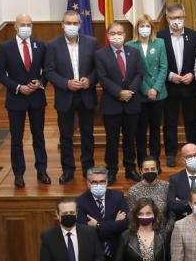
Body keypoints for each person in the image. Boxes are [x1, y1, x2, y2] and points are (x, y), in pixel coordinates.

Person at [0, 13, 50, 188]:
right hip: (16, 99)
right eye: (23, 24)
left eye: (29, 24)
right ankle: (18, 173)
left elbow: (48, 70)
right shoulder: (5, 47)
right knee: (16, 139)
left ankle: (42, 170)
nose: (26, 27)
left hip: (36, 98)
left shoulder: (40, 45)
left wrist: (40, 81)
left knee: (39, 136)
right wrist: (18, 87)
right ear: (15, 26)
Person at [44, 10, 98, 184]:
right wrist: (66, 83)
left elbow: (98, 69)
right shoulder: (52, 45)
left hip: (86, 95)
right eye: (68, 23)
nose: (72, 26)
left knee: (87, 134)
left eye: (75, 23)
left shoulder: (91, 43)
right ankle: (68, 170)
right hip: (65, 96)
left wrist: (89, 80)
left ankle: (88, 168)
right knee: (65, 136)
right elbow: (49, 72)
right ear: (62, 24)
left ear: (80, 25)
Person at [95, 21, 143, 184]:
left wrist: (130, 92)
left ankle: (130, 168)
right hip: (112, 103)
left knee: (130, 138)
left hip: (132, 102)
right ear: (108, 36)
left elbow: (139, 74)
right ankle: (112, 170)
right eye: (113, 33)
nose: (116, 36)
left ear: (125, 35)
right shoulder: (101, 54)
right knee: (112, 140)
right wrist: (119, 93)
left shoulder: (134, 52)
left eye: (119, 33)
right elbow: (103, 78)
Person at [158, 3, 196, 167]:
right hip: (170, 86)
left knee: (191, 120)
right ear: (167, 18)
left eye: (179, 17)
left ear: (184, 17)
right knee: (170, 121)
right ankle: (171, 153)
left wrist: (192, 73)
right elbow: (158, 62)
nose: (176, 20)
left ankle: (194, 152)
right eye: (173, 18)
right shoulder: (159, 37)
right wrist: (170, 75)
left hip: (190, 85)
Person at [127, 14, 168, 169]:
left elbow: (164, 67)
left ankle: (155, 162)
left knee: (156, 130)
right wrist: (146, 90)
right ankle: (143, 163)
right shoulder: (130, 44)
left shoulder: (160, 43)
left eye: (147, 26)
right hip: (140, 94)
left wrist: (155, 88)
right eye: (142, 26)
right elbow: (134, 71)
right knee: (141, 130)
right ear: (137, 28)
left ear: (152, 28)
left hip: (159, 94)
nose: (145, 29)